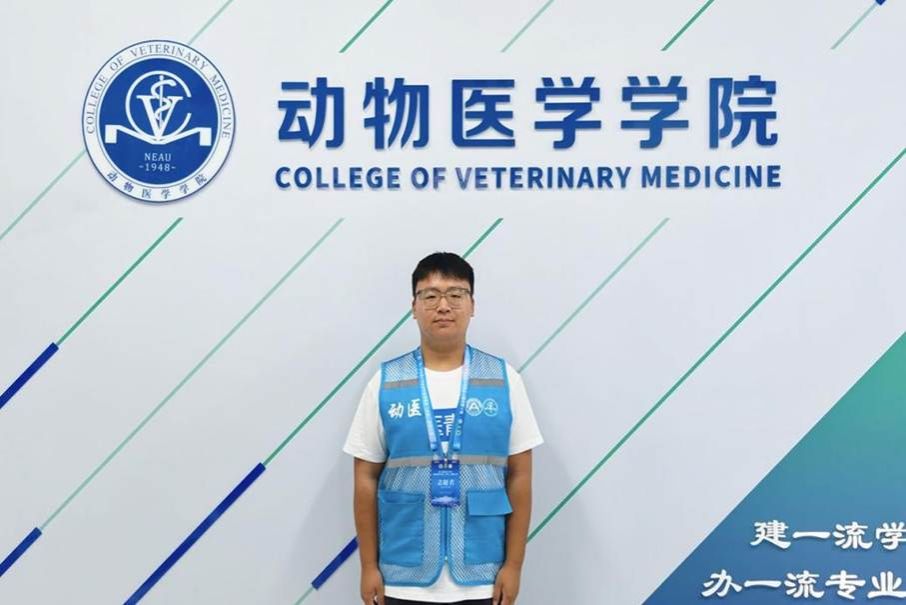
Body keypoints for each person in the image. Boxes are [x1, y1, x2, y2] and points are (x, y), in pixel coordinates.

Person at [343, 252, 544, 605]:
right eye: (431, 295)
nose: (443, 306)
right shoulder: (386, 382)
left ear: (472, 304)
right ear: (414, 306)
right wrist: (369, 565)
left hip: (484, 575)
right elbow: (365, 477)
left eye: (455, 294)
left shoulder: (503, 380)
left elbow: (520, 476)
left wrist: (513, 566)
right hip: (402, 577)